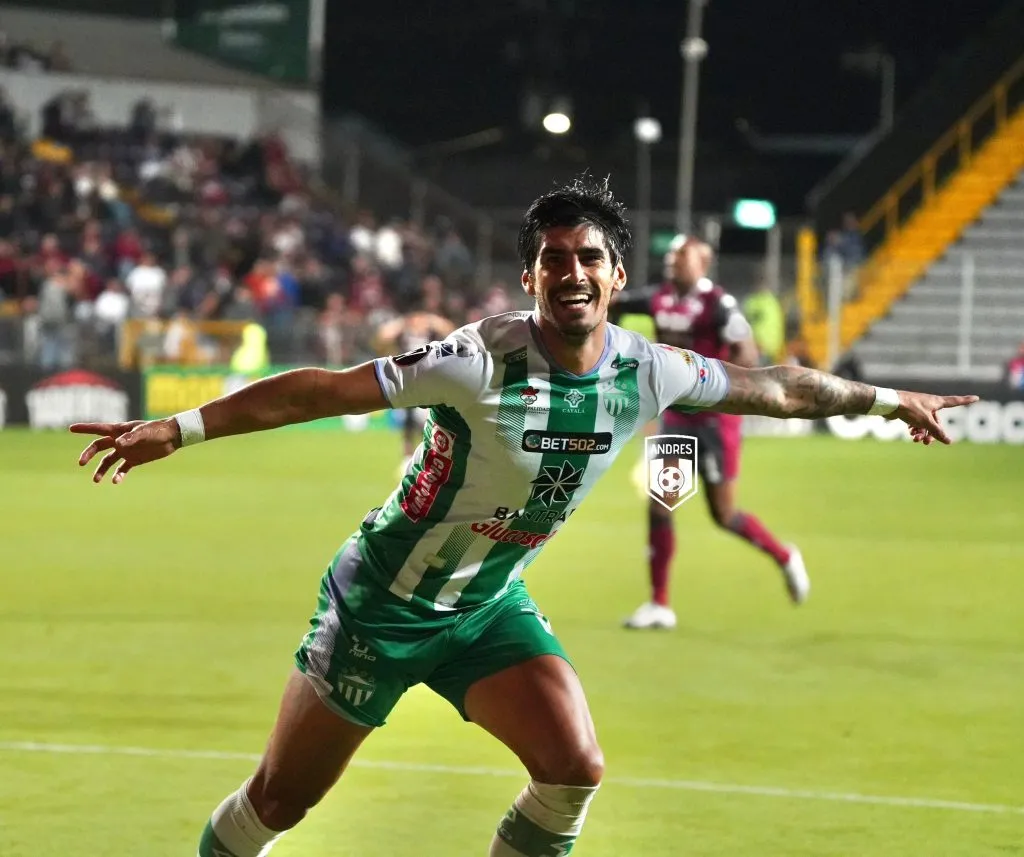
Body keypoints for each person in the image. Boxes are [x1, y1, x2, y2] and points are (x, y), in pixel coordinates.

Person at [70, 176, 975, 857]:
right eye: (553, 259)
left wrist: (888, 396)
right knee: (279, 800)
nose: (571, 273)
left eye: (588, 257)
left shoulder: (647, 369)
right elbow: (317, 389)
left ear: (618, 273)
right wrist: (177, 428)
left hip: (486, 605)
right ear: (530, 274)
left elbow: (774, 386)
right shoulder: (476, 359)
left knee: (574, 766)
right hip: (381, 603)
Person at [611, 235, 807, 631]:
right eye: (670, 253)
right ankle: (660, 604)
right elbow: (614, 304)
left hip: (716, 422)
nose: (672, 259)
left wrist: (721, 386)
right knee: (660, 505)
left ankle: (785, 557)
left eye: (682, 254)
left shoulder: (720, 304)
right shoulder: (660, 298)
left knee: (724, 514)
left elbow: (747, 352)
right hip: (679, 420)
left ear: (703, 263)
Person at [374, 303, 456, 469]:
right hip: (407, 381)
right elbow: (382, 336)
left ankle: (430, 454)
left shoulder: (432, 333)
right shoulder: (404, 333)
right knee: (409, 421)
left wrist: (433, 320)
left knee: (431, 420)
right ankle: (408, 457)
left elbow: (452, 331)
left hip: (431, 382)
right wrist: (402, 322)